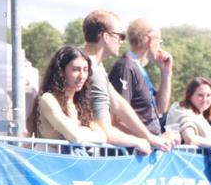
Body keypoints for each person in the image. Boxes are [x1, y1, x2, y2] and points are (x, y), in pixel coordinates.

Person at [80, 9, 172, 154]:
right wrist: (144, 140)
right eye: (120, 36)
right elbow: (108, 128)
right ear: (106, 37)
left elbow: (118, 103)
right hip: (78, 155)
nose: (123, 41)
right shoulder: (91, 67)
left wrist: (150, 137)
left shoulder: (97, 66)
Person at [27, 46, 106, 145]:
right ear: (61, 71)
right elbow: (75, 137)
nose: (82, 76)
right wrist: (85, 131)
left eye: (85, 70)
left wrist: (79, 131)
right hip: (50, 159)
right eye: (75, 70)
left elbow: (102, 136)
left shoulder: (80, 105)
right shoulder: (48, 99)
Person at [109, 18, 174, 139]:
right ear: (148, 40)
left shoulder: (139, 69)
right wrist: (153, 139)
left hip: (147, 149)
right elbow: (116, 121)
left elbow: (160, 108)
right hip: (132, 154)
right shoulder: (126, 68)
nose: (160, 47)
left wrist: (166, 73)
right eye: (159, 42)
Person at [165, 78, 211, 156]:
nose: (205, 99)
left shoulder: (197, 115)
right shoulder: (183, 112)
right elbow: (191, 139)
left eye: (208, 95)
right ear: (190, 95)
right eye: (200, 95)